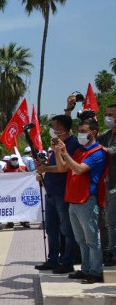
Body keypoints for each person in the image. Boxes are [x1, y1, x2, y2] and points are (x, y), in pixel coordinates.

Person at [55, 118, 109, 284]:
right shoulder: (80, 151)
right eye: (79, 131)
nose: (80, 134)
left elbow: (79, 169)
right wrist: (57, 152)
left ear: (94, 133)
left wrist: (65, 153)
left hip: (87, 200)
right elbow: (62, 168)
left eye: (84, 131)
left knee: (92, 240)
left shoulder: (98, 153)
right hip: (74, 199)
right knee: (81, 240)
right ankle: (86, 269)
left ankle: (96, 272)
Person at [35, 114, 81, 274]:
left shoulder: (72, 144)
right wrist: (44, 166)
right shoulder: (56, 144)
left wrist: (46, 169)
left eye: (53, 126)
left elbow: (65, 168)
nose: (51, 129)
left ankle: (67, 261)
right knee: (51, 228)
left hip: (63, 192)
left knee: (66, 229)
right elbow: (55, 165)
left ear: (61, 127)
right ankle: (53, 259)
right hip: (51, 191)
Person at [99, 104, 116, 266]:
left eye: (111, 114)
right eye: (107, 114)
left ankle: (113, 252)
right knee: (110, 222)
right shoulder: (107, 134)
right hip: (108, 183)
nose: (108, 117)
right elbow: (92, 142)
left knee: (112, 221)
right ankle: (111, 251)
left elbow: (110, 151)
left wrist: (97, 147)